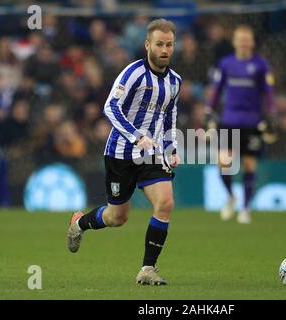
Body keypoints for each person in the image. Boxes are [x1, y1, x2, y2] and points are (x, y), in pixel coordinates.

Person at [66, 18, 181, 286]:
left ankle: (147, 269)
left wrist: (170, 146)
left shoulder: (175, 81)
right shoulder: (133, 73)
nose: (165, 49)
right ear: (147, 45)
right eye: (159, 44)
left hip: (151, 154)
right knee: (118, 217)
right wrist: (136, 135)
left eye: (169, 45)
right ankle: (79, 223)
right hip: (121, 152)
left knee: (165, 203)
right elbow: (110, 107)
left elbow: (170, 115)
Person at [205, 24, 276, 224]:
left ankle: (245, 209)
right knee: (224, 161)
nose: (244, 42)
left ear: (252, 43)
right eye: (240, 39)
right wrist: (208, 110)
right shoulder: (226, 64)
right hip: (229, 121)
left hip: (253, 122)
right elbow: (216, 90)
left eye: (247, 39)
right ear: (234, 42)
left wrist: (272, 114)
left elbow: (269, 93)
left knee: (248, 164)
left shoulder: (261, 65)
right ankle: (230, 197)